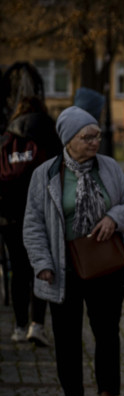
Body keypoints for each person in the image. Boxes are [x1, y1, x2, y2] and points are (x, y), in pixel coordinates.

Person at [22, 106, 124, 396]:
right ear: (68, 140)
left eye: (96, 136)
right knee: (66, 332)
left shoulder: (110, 168)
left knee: (106, 330)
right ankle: (73, 395)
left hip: (106, 261)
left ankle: (107, 393)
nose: (94, 142)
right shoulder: (45, 175)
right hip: (63, 265)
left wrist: (113, 219)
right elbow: (33, 223)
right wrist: (42, 263)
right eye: (86, 137)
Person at [1, 96, 61, 344]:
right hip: (42, 212)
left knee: (18, 270)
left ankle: (19, 326)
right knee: (42, 266)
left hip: (10, 215)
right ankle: (37, 324)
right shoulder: (50, 133)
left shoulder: (7, 138)